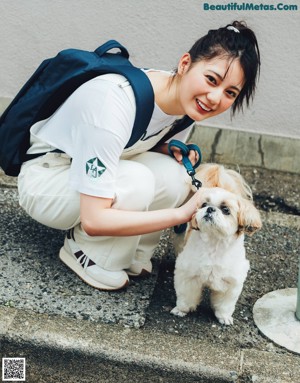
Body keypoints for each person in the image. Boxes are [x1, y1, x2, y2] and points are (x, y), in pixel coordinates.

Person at [17, 21, 261, 291]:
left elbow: (133, 143)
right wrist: (181, 214)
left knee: (175, 173)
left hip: (81, 173)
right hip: (46, 180)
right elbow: (94, 219)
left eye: (230, 93)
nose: (215, 98)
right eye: (211, 80)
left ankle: (134, 251)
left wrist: (164, 148)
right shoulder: (113, 103)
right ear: (185, 64)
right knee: (137, 179)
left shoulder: (186, 107)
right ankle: (86, 252)